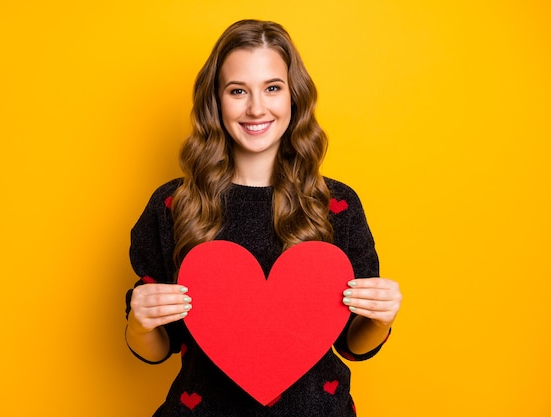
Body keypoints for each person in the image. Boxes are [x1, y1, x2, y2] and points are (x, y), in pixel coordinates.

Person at [125, 19, 402, 416]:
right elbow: (157, 350)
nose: (256, 108)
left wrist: (380, 319)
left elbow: (353, 345)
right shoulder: (174, 204)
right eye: (238, 91)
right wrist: (139, 322)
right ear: (216, 101)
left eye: (272, 88)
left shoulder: (336, 204)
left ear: (294, 96)